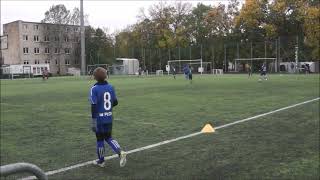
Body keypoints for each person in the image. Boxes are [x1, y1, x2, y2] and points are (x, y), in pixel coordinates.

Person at [89, 67, 127, 168]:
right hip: (109, 118)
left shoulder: (94, 89)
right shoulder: (110, 87)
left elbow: (94, 106)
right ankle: (120, 152)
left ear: (95, 77)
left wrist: (93, 121)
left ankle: (101, 161)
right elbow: (115, 102)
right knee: (109, 137)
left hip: (99, 120)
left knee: (100, 140)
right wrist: (107, 109)